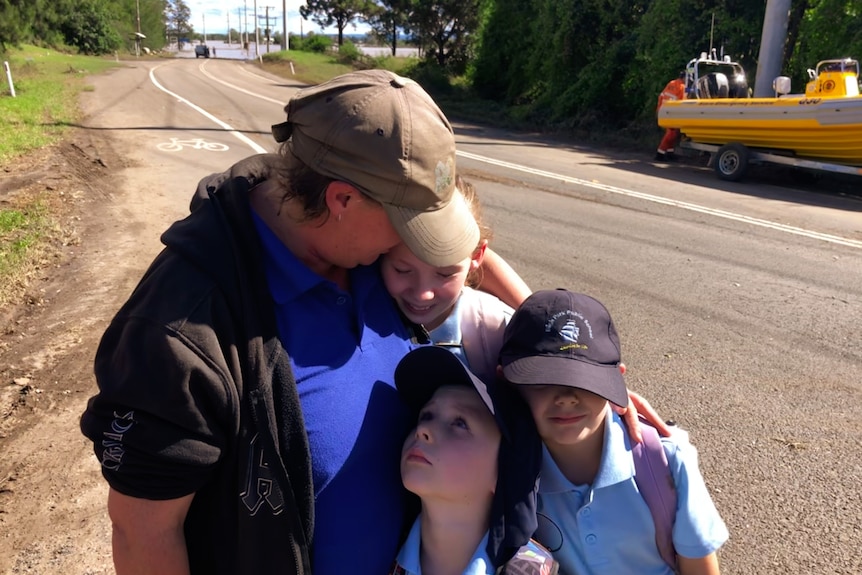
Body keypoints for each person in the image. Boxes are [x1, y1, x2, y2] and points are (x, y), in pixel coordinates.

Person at [79, 69, 530, 575]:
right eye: (411, 229)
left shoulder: (368, 253)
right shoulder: (180, 334)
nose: (417, 254)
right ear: (342, 200)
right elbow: (143, 534)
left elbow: (464, 258)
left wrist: (548, 336)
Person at [382, 177, 673, 442]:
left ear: (477, 257)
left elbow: (552, 377)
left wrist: (596, 390)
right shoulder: (360, 294)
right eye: (402, 270)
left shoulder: (496, 329)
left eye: (445, 275)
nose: (422, 292)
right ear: (379, 250)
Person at [499, 289, 729, 575]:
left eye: (586, 381)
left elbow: (699, 567)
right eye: (544, 381)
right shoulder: (506, 465)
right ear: (507, 382)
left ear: (616, 381)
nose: (567, 397)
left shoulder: (668, 460)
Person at [390, 345, 556, 575]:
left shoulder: (533, 571)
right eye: (426, 415)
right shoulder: (376, 553)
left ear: (505, 470)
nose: (423, 429)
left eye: (460, 423)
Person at [655, 71, 687, 161]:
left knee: (672, 134)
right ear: (684, 78)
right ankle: (660, 154)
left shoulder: (671, 83)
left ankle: (670, 153)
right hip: (672, 113)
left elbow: (661, 96)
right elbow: (683, 102)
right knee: (671, 134)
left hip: (663, 111)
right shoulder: (682, 87)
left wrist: (658, 110)